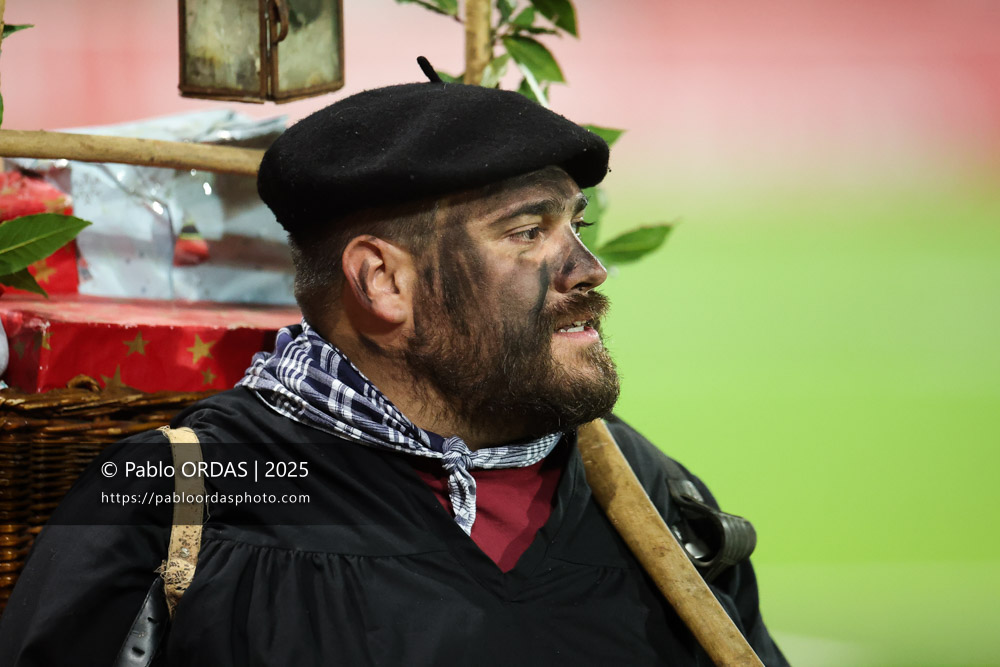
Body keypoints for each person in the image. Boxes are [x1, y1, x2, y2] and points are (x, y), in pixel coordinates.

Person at [0, 65, 788, 666]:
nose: (590, 269)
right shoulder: (175, 503)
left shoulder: (657, 498)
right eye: (527, 232)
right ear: (383, 281)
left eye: (574, 227)